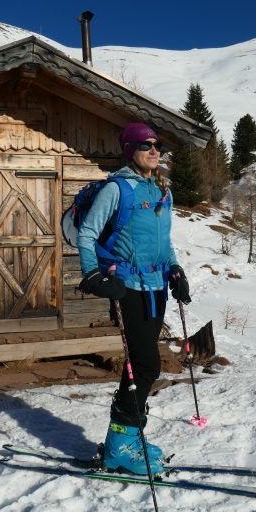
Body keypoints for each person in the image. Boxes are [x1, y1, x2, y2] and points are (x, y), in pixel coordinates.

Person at [78, 122, 191, 475]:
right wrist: (94, 275)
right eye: (146, 145)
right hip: (129, 288)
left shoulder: (162, 190)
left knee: (143, 366)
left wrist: (175, 270)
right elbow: (88, 232)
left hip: (157, 286)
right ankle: (119, 447)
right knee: (142, 367)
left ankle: (129, 436)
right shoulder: (118, 189)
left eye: (158, 145)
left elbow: (163, 240)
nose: (155, 150)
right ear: (130, 150)